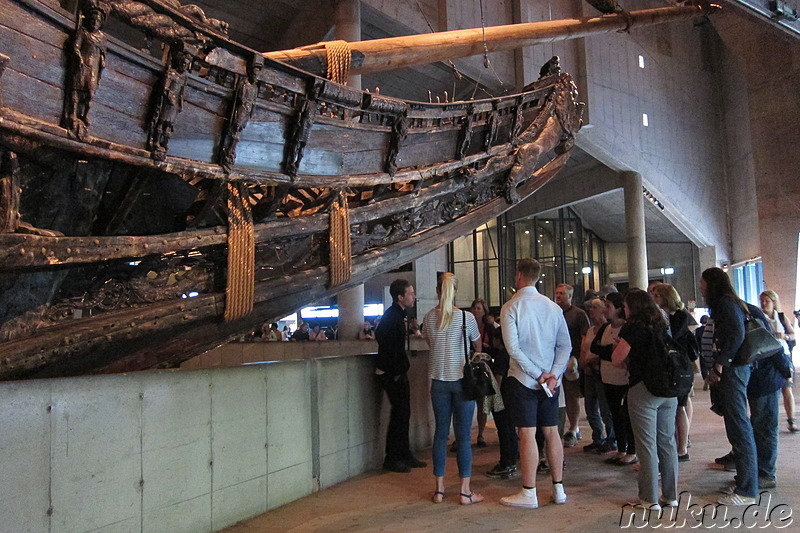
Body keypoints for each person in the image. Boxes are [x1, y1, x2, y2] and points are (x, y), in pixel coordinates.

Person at [499, 258, 571, 509]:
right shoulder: (553, 307)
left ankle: (529, 491)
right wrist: (553, 374)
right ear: (537, 277)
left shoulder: (511, 306)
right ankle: (558, 488)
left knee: (527, 432)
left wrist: (538, 374)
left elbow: (514, 349)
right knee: (552, 432)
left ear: (519, 275)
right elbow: (565, 345)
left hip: (523, 380)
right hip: (551, 382)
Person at [611, 288, 678, 511]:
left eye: (626, 306)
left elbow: (617, 357)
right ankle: (671, 495)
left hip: (643, 388)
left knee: (646, 445)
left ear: (632, 307)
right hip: (668, 390)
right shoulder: (662, 323)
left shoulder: (633, 327)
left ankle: (649, 499)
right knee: (667, 443)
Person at [423, 273, 484, 505]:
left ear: (438, 291)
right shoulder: (466, 318)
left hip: (438, 381)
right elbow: (477, 344)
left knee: (440, 434)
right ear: (455, 292)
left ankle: (439, 490)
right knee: (463, 437)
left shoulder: (428, 318)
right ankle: (464, 492)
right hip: (461, 381)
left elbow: (430, 343)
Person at [702, 267, 759, 506]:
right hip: (735, 369)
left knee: (739, 427)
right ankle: (745, 482)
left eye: (703, 283)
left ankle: (747, 489)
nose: (701, 287)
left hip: (734, 370)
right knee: (737, 426)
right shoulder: (729, 302)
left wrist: (720, 365)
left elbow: (735, 334)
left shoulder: (726, 303)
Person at [374, 279, 426, 473]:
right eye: (410, 294)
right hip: (393, 373)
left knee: (403, 414)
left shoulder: (395, 315)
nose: (414, 297)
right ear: (400, 297)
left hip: (395, 372)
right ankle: (393, 457)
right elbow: (387, 343)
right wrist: (394, 371)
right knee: (400, 414)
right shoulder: (392, 317)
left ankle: (403, 453)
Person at [650, 283, 699, 461]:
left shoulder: (679, 316)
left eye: (656, 296)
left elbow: (673, 338)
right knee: (675, 407)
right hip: (668, 366)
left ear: (666, 297)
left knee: (680, 406)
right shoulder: (659, 316)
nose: (653, 299)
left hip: (680, 366)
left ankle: (682, 448)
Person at [593, 292, 636, 462]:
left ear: (619, 308)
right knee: (614, 415)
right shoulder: (605, 328)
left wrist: (610, 351)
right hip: (607, 377)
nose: (604, 310)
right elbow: (595, 349)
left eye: (608, 306)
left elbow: (621, 353)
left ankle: (632, 451)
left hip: (624, 379)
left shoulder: (627, 328)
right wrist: (611, 350)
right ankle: (621, 448)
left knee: (627, 415)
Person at [554, 284, 590, 448]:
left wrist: (580, 358)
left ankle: (574, 428)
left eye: (562, 293)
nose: (558, 296)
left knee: (572, 395)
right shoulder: (553, 311)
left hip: (571, 360)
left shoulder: (579, 314)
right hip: (555, 360)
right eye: (557, 293)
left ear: (570, 296)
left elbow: (585, 337)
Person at [759, 290, 798, 433]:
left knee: (787, 388)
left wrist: (784, 337)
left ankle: (791, 420)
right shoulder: (759, 319)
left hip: (783, 356)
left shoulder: (781, 317)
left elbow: (793, 335)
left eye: (767, 301)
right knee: (771, 391)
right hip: (767, 358)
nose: (763, 304)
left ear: (774, 302)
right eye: (762, 301)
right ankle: (770, 421)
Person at [580, 298, 615, 452]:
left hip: (601, 371)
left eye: (594, 307)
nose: (591, 310)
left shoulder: (608, 329)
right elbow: (584, 348)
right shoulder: (590, 330)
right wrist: (583, 363)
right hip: (588, 372)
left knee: (605, 407)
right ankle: (597, 437)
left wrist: (594, 359)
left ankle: (611, 438)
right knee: (590, 406)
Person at [470, 298, 493, 447]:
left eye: (479, 308)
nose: (476, 311)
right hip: (470, 365)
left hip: (484, 365)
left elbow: (494, 345)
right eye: (474, 308)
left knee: (483, 402)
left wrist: (484, 346)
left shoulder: (489, 327)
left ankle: (481, 434)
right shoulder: (468, 325)